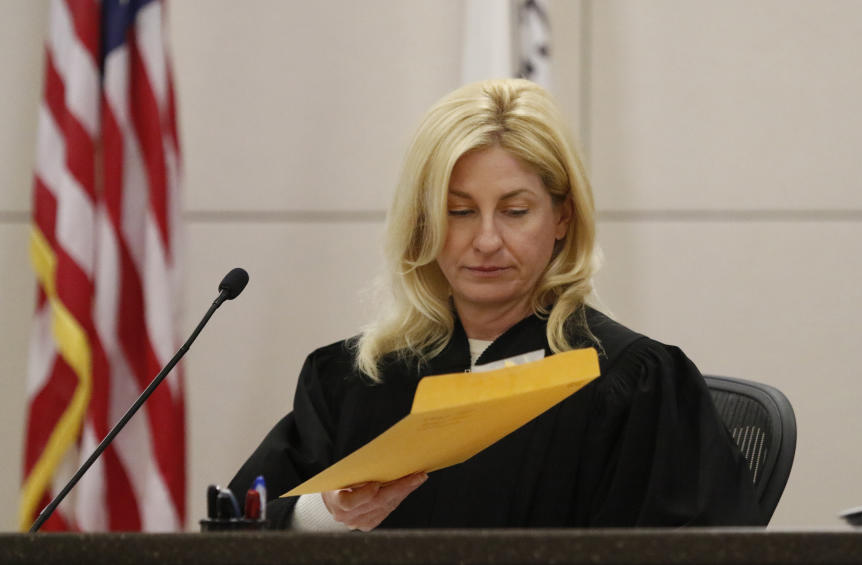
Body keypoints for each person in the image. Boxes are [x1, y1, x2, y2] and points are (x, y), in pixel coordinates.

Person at [229, 78, 762, 530]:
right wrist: (327, 514)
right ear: (422, 224)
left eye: (514, 210)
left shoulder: (632, 382)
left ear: (561, 218)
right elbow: (236, 526)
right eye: (459, 211)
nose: (485, 240)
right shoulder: (350, 379)